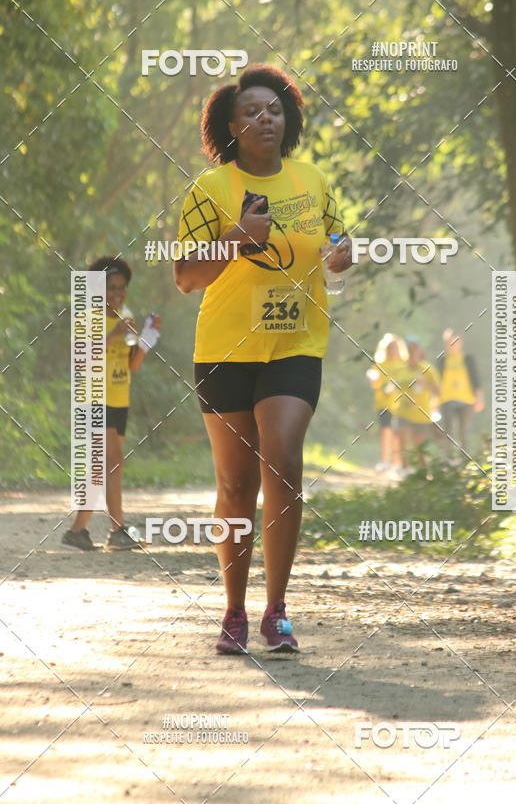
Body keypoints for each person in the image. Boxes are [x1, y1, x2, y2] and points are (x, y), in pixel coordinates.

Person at [174, 64, 352, 654]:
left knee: (283, 460)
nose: (265, 119)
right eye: (251, 111)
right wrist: (236, 240)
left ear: (288, 119)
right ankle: (234, 611)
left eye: (274, 110)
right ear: (231, 126)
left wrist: (340, 257)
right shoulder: (209, 189)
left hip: (295, 346)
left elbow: (334, 249)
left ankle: (277, 609)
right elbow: (185, 277)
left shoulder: (312, 181)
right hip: (225, 349)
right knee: (235, 484)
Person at [61, 256, 162, 551]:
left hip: (119, 399)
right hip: (94, 397)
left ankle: (78, 532)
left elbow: (132, 365)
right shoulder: (88, 318)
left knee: (103, 467)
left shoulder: (126, 317)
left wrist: (148, 336)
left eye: (122, 287)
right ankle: (117, 529)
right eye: (111, 288)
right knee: (112, 461)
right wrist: (114, 334)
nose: (118, 294)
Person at [391, 336, 440, 470]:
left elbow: (438, 389)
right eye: (409, 350)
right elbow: (391, 386)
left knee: (420, 449)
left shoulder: (427, 369)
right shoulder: (399, 369)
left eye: (414, 350)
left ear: (419, 352)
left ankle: (423, 473)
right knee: (403, 444)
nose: (412, 353)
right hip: (402, 411)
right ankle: (404, 470)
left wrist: (425, 385)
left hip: (421, 414)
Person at [366, 333, 408, 473]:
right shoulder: (380, 365)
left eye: (395, 347)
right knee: (385, 431)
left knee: (397, 433)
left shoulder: (404, 365)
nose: (393, 350)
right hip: (383, 403)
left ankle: (397, 463)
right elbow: (373, 378)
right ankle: (384, 461)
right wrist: (371, 377)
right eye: (390, 347)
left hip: (400, 405)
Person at [438, 328, 483, 450]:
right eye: (449, 342)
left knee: (463, 430)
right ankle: (449, 455)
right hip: (447, 399)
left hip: (466, 400)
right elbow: (439, 381)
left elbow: (476, 379)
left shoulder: (468, 359)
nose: (452, 345)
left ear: (460, 343)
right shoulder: (442, 360)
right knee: (448, 429)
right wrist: (435, 400)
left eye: (455, 342)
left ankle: (464, 455)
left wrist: (479, 398)